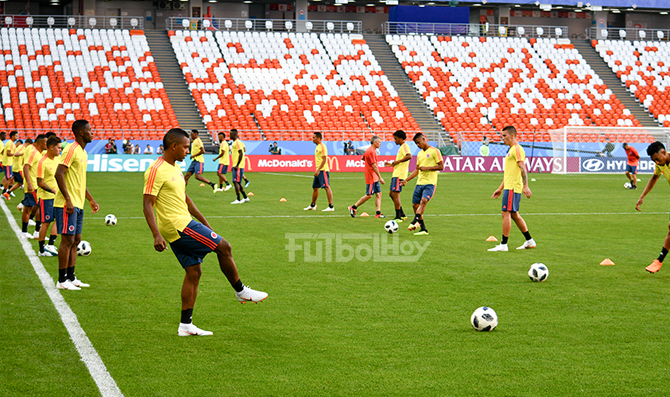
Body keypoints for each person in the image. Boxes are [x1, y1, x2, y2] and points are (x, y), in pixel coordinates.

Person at [142, 128, 268, 336]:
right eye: (184, 147)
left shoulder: (175, 169)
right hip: (178, 225)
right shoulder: (156, 169)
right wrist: (155, 234)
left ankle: (185, 325)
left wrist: (206, 224)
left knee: (194, 272)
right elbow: (147, 204)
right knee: (224, 247)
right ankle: (241, 291)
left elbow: (187, 200)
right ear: (173, 147)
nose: (187, 151)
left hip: (182, 223)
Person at [54, 120, 99, 290]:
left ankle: (71, 277)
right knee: (67, 240)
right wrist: (67, 199)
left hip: (78, 203)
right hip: (68, 204)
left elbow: (79, 180)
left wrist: (90, 199)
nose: (92, 132)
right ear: (81, 132)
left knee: (76, 240)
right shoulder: (70, 149)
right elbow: (59, 174)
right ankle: (61, 280)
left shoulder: (82, 152)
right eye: (89, 130)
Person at [488, 126, 535, 251]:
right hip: (509, 187)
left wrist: (526, 186)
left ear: (512, 136)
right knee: (514, 215)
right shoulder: (511, 150)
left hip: (513, 188)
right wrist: (500, 188)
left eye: (504, 135)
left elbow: (522, 168)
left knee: (506, 213)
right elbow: (509, 173)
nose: (502, 138)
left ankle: (503, 244)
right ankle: (529, 241)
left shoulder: (517, 149)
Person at [635, 141, 670, 273]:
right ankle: (659, 261)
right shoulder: (661, 165)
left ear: (664, 153)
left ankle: (659, 260)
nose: (657, 162)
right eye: (654, 160)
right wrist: (642, 196)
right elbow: (654, 178)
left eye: (658, 159)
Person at [400, 133, 443, 235]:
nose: (418, 145)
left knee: (424, 200)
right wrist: (406, 180)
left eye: (419, 143)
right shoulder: (419, 154)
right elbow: (417, 170)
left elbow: (441, 166)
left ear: (424, 139)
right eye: (416, 144)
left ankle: (414, 222)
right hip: (419, 183)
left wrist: (427, 168)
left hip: (430, 183)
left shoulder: (435, 151)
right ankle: (423, 229)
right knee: (415, 205)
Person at [36, 135, 62, 257]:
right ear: (51, 148)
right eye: (58, 148)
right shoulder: (42, 162)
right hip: (46, 197)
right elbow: (39, 182)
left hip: (58, 196)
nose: (60, 150)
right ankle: (41, 250)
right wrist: (52, 190)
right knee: (46, 222)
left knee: (59, 220)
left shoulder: (58, 159)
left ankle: (51, 244)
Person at [349, 136, 385, 218]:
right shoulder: (371, 151)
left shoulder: (370, 150)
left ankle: (378, 213)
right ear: (374, 142)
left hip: (374, 176)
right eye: (379, 142)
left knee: (379, 194)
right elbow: (374, 166)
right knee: (369, 195)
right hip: (371, 176)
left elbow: (363, 158)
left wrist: (368, 164)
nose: (380, 144)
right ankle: (353, 207)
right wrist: (380, 177)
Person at [20, 135, 46, 240]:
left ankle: (34, 232)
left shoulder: (36, 152)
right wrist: (29, 183)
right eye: (45, 143)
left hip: (35, 185)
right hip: (32, 185)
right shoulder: (34, 152)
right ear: (40, 143)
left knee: (34, 207)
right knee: (29, 208)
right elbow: (26, 167)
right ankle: (24, 232)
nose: (47, 145)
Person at [385, 130, 412, 222]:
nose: (394, 140)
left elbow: (409, 156)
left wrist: (398, 162)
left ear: (401, 138)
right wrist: (391, 164)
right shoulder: (401, 147)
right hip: (396, 173)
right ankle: (402, 214)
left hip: (399, 175)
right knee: (391, 194)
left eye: (396, 139)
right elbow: (400, 161)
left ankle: (398, 217)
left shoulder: (405, 146)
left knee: (395, 195)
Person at [304, 132, 334, 211]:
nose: (312, 139)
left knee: (326, 187)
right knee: (315, 188)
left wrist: (318, 170)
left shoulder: (322, 147)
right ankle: (313, 205)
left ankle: (331, 206)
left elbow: (324, 159)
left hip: (322, 170)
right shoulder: (317, 147)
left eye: (314, 137)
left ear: (319, 138)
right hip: (318, 170)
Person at [230, 129, 249, 204]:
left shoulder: (237, 142)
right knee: (238, 182)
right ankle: (245, 197)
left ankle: (238, 199)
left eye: (231, 134)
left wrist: (237, 165)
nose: (229, 135)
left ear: (234, 134)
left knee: (235, 182)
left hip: (238, 166)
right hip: (237, 165)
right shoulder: (235, 142)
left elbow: (241, 153)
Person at [2, 131, 18, 200]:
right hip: (8, 163)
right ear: (13, 136)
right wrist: (15, 154)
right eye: (16, 136)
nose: (17, 137)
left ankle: (6, 191)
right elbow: (8, 153)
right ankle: (4, 193)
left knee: (10, 178)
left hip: (9, 162)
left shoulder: (11, 143)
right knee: (9, 178)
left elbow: (3, 151)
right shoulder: (10, 143)